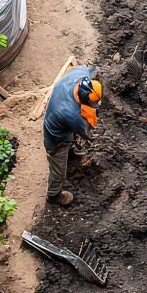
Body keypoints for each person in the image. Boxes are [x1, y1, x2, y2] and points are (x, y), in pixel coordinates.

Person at [43, 66, 102, 205]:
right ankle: (53, 195)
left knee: (71, 136)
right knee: (58, 171)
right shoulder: (71, 113)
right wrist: (94, 132)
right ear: (83, 99)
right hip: (55, 138)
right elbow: (87, 134)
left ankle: (72, 151)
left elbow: (92, 69)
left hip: (56, 114)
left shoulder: (79, 75)